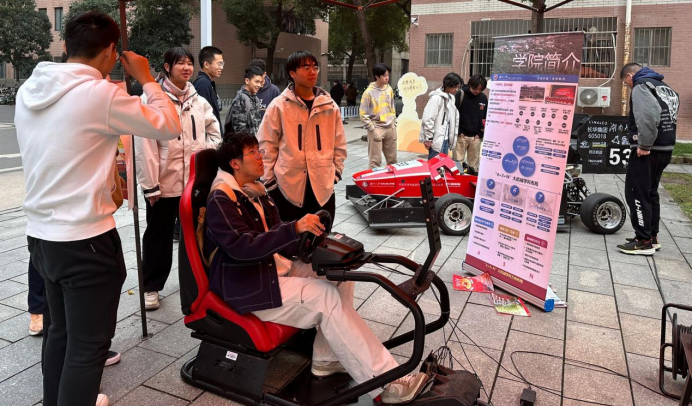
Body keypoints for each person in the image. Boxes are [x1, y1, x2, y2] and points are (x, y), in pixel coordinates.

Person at [15, 11, 182, 406]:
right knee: (88, 347)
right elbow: (169, 125)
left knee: (61, 334)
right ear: (111, 50)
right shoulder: (101, 95)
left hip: (42, 237)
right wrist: (147, 79)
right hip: (86, 241)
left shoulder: (29, 89)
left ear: (66, 45)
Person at [204, 133, 430, 404]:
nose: (260, 156)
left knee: (340, 275)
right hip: (247, 285)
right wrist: (293, 229)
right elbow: (242, 247)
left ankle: (326, 359)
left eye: (258, 150)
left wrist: (309, 239)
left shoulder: (254, 191)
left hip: (270, 269)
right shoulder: (221, 199)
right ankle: (387, 383)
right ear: (235, 163)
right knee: (325, 296)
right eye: (252, 152)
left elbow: (277, 234)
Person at [136, 47, 221, 311]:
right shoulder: (152, 99)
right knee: (158, 236)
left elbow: (214, 132)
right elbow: (144, 145)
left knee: (195, 234)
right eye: (180, 63)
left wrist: (204, 152)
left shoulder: (198, 100)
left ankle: (196, 281)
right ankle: (151, 286)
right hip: (164, 182)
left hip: (194, 183)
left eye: (189, 63)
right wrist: (150, 185)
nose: (186, 68)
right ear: (167, 67)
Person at [258, 50, 347, 222]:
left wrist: (335, 173)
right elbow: (266, 145)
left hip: (322, 188)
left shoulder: (329, 106)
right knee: (289, 235)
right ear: (292, 73)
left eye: (315, 67)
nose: (312, 72)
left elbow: (340, 144)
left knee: (322, 234)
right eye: (306, 68)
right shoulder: (279, 106)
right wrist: (270, 182)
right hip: (287, 188)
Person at [617, 63, 679, 256]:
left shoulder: (641, 85)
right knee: (651, 192)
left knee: (637, 193)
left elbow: (648, 115)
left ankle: (643, 241)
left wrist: (644, 144)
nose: (628, 86)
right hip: (665, 148)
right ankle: (652, 237)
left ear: (630, 76)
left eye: (626, 83)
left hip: (648, 150)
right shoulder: (664, 87)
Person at [360, 63, 397, 169]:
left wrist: (393, 122)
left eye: (388, 75)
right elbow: (363, 114)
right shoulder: (368, 93)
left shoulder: (389, 89)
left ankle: (391, 179)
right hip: (376, 128)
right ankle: (373, 180)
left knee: (393, 161)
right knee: (375, 162)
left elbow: (392, 106)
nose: (387, 78)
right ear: (377, 76)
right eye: (384, 75)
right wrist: (372, 129)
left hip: (390, 127)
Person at [420, 73, 462, 160]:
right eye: (455, 87)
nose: (456, 90)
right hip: (436, 139)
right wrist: (428, 138)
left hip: (445, 139)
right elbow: (428, 119)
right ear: (448, 84)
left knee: (442, 165)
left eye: (458, 87)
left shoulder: (451, 98)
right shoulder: (436, 98)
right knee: (434, 165)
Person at [453, 74, 487, 173]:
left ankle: (471, 180)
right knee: (457, 165)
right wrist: (459, 132)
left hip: (475, 137)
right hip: (461, 136)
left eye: (480, 89)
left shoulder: (483, 98)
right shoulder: (461, 94)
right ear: (470, 85)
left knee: (474, 166)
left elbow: (485, 117)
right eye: (475, 88)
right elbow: (453, 114)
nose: (477, 91)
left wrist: (480, 134)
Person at [225, 65, 263, 136]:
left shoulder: (256, 99)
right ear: (247, 81)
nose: (259, 85)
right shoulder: (241, 99)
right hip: (245, 142)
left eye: (260, 82)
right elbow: (239, 130)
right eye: (256, 82)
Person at [194, 46, 224, 127]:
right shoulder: (203, 84)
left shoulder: (206, 83)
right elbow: (205, 118)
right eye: (219, 64)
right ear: (206, 64)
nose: (221, 68)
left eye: (222, 64)